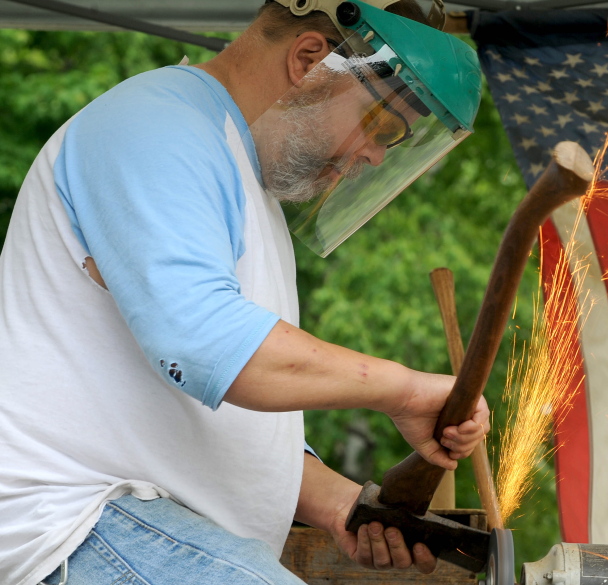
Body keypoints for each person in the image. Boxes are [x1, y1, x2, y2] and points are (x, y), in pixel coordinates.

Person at [0, 0, 486, 583]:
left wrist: (342, 508)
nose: (375, 156)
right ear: (311, 59)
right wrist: (404, 391)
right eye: (382, 125)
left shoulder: (241, 175)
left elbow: (207, 417)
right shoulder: (155, 127)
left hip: (139, 523)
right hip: (75, 525)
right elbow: (204, 346)